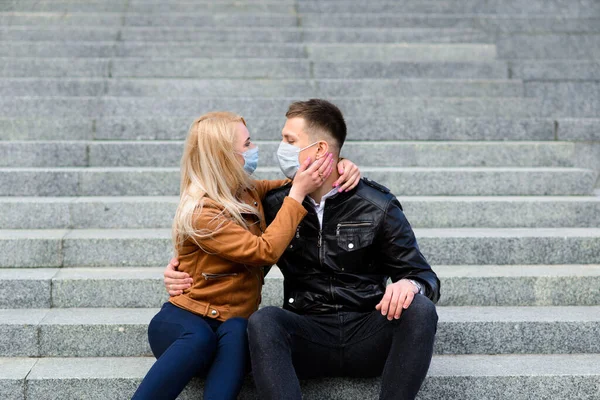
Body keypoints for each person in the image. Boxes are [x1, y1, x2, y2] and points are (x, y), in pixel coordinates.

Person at [164, 99, 440, 400]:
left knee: (420, 307)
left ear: (320, 150)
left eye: (289, 140)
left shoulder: (377, 205)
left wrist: (409, 284)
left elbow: (424, 275)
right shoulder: (276, 205)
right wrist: (183, 270)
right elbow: (243, 253)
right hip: (308, 333)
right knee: (264, 320)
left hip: (367, 331)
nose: (280, 147)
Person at [132, 111, 361, 400]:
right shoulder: (203, 211)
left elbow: (288, 184)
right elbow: (264, 251)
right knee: (200, 339)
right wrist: (297, 196)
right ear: (225, 156)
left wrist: (337, 165)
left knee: (244, 327)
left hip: (229, 325)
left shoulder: (245, 191)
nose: (255, 150)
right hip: (183, 323)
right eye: (248, 144)